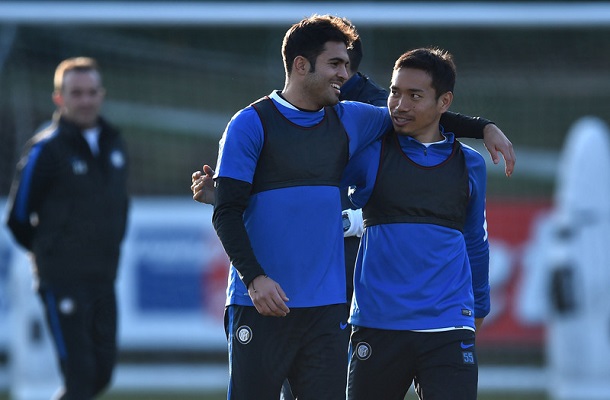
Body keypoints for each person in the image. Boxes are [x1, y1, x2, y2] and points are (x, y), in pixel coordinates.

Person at [195, 14, 514, 400]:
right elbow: (230, 211)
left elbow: (420, 114)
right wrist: (253, 275)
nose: (346, 75)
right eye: (336, 64)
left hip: (328, 308)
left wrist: (483, 127)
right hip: (261, 302)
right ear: (301, 65)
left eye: (347, 65)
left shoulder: (352, 119)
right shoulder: (250, 123)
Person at [344, 47, 488, 400]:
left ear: (444, 102)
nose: (399, 105)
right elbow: (312, 184)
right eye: (395, 92)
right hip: (378, 323)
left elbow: (475, 240)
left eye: (414, 95)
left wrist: (480, 307)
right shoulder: (369, 153)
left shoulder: (471, 164)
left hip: (449, 325)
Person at [5, 57, 129, 400]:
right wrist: (50, 258)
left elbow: (119, 205)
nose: (85, 100)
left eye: (91, 92)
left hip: (104, 279)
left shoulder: (114, 144)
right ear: (59, 98)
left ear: (101, 94)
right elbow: (17, 217)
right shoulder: (46, 150)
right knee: (80, 376)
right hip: (62, 283)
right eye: (76, 93)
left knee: (102, 374)